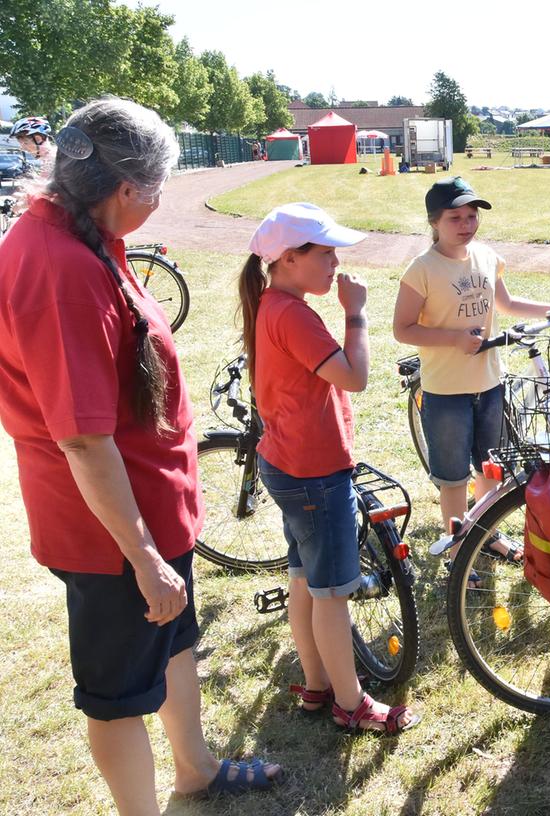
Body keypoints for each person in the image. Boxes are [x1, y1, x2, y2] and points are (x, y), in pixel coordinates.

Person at [0, 98, 280, 813]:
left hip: (148, 514)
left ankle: (196, 769)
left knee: (175, 639)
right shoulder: (59, 264)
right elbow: (83, 439)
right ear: (126, 190)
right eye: (158, 191)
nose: (158, 204)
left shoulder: (84, 234)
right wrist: (144, 556)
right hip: (112, 537)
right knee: (119, 692)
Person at [239, 202, 420, 735]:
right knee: (333, 594)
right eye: (326, 253)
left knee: (306, 580)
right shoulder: (292, 314)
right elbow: (354, 376)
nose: (336, 263)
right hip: (314, 473)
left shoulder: (272, 303)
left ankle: (317, 684)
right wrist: (356, 312)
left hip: (289, 465)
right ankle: (351, 702)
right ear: (290, 258)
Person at [391, 176, 550, 571]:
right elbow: (402, 329)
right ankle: (459, 552)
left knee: (491, 468)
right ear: (434, 222)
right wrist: (454, 338)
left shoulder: (487, 256)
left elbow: (506, 303)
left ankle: (486, 536)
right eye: (455, 217)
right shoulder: (421, 270)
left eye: (472, 215)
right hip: (445, 392)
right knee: (454, 480)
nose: (467, 224)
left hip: (491, 386)